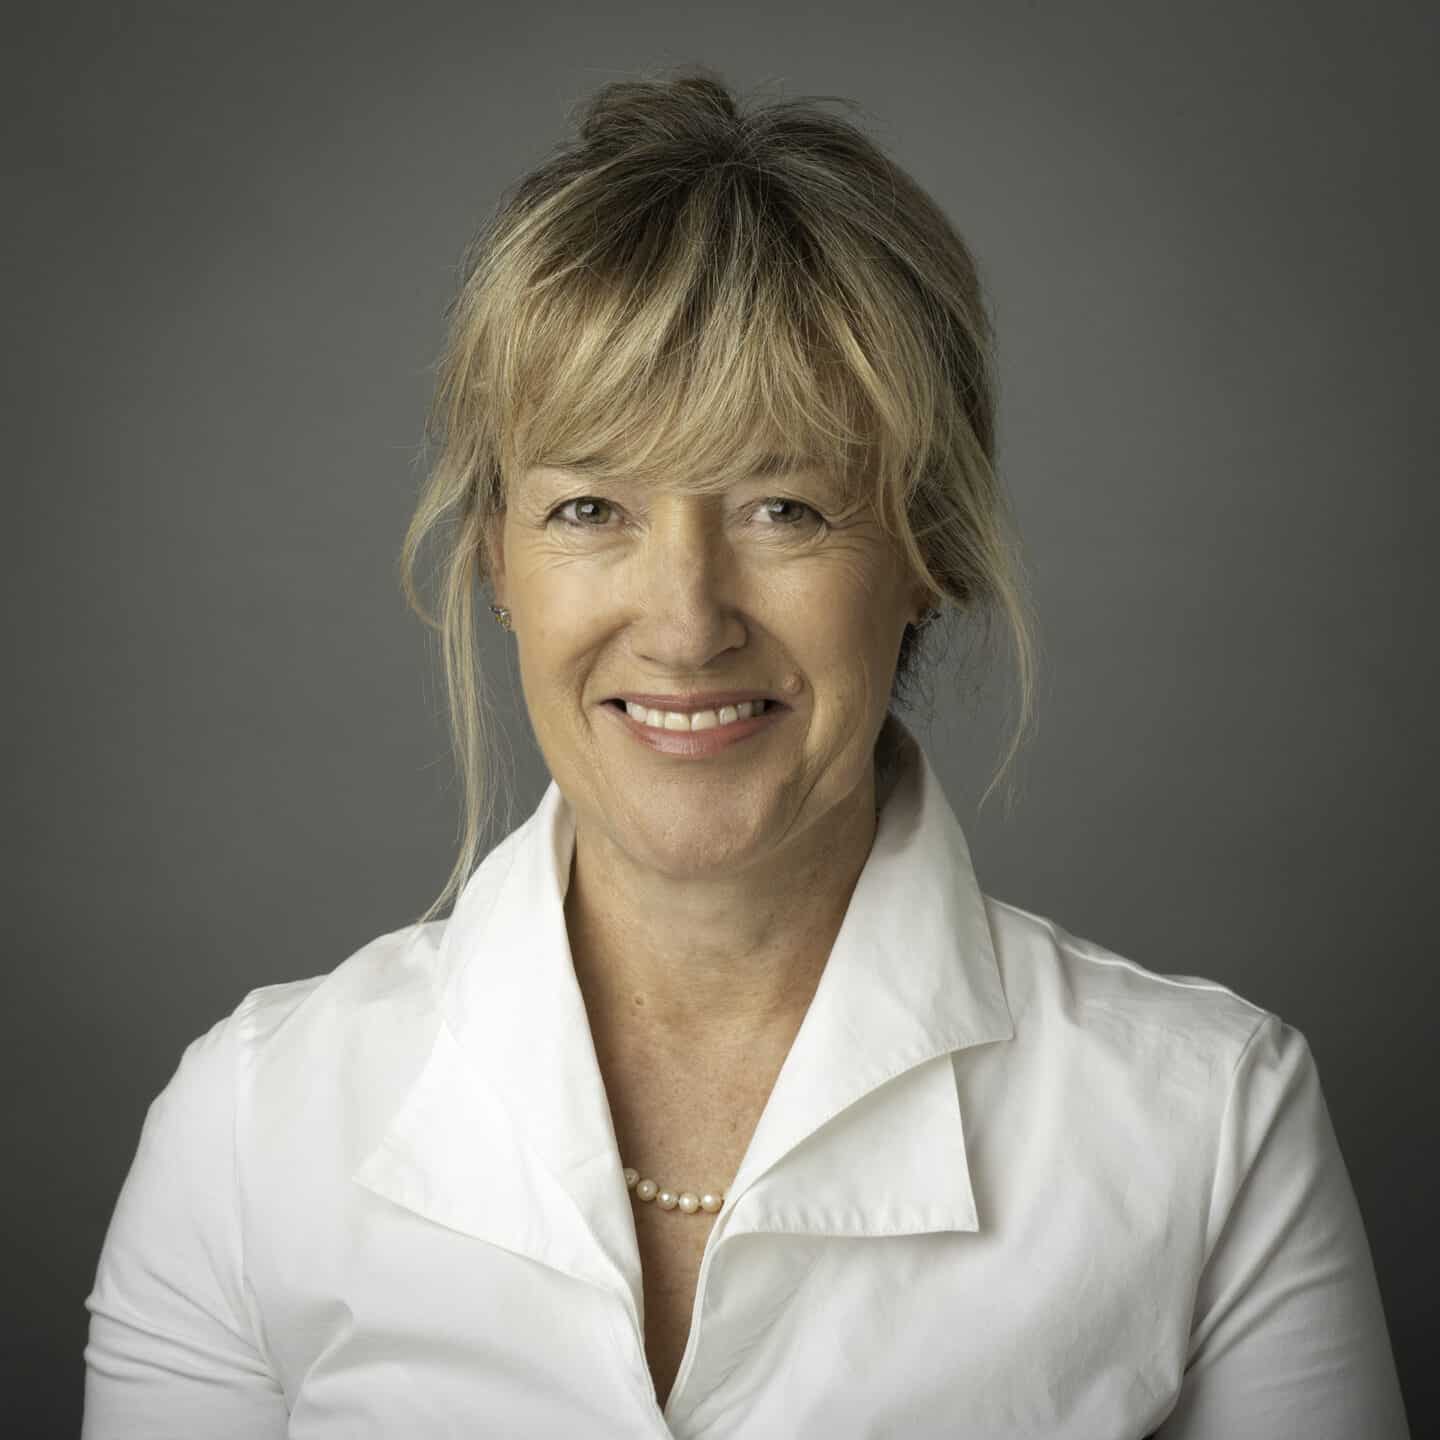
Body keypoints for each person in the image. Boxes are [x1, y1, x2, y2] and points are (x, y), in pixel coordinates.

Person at [81, 68, 1410, 1439]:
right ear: (497, 559)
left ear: (927, 556)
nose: (683, 619)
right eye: (591, 505)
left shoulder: (1208, 1128)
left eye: (785, 506)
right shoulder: (251, 1127)